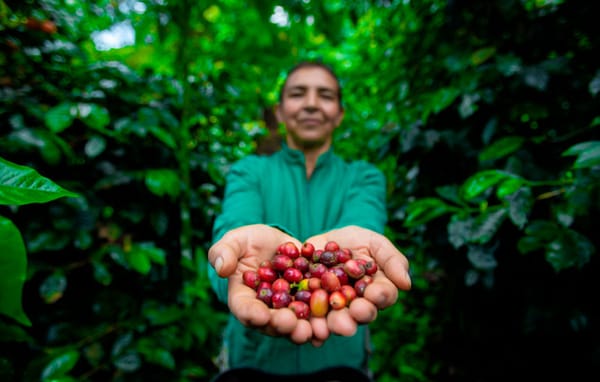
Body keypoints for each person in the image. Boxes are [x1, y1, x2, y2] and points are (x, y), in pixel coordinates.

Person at [207, 61, 411, 381]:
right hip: (253, 361)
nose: (311, 104)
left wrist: (357, 246)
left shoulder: (363, 177)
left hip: (339, 362)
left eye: (325, 95)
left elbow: (364, 222)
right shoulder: (248, 171)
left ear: (340, 113)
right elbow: (234, 228)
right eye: (298, 94)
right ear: (280, 110)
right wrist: (230, 267)